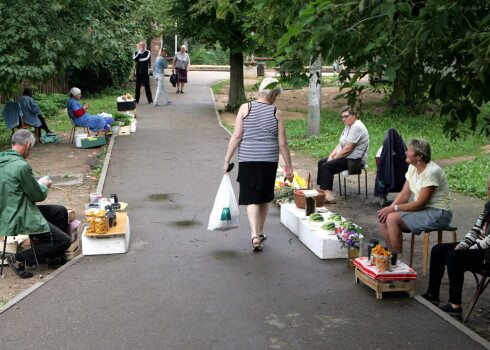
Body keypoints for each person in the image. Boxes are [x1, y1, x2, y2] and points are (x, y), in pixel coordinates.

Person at [222, 77, 294, 252]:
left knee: (252, 199)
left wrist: (227, 160)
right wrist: (289, 167)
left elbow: (237, 136)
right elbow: (282, 143)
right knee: (263, 198)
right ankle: (259, 233)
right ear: (274, 93)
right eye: (277, 95)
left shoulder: (245, 108)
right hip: (268, 161)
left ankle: (255, 234)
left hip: (248, 159)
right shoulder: (277, 113)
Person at [0, 130, 71, 278]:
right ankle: (18, 259)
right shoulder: (21, 166)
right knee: (64, 241)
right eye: (31, 148)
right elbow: (37, 195)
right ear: (27, 145)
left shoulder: (3, 161)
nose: (30, 152)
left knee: (59, 211)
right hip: (20, 215)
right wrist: (44, 185)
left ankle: (52, 257)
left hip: (6, 212)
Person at [421, 178, 490, 317]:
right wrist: (461, 245)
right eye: (489, 189)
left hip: (488, 254)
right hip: (479, 247)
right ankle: (432, 293)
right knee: (439, 249)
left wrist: (468, 250)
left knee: (454, 256)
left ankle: (455, 305)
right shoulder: (488, 206)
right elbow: (475, 230)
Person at [377, 138, 452, 257]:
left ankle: (397, 260)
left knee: (392, 218)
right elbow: (404, 194)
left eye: (410, 150)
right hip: (424, 210)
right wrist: (389, 209)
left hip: (439, 213)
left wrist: (392, 209)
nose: (406, 152)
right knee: (385, 219)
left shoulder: (431, 172)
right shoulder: (413, 168)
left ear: (419, 156)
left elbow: (420, 204)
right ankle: (391, 255)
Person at [316, 106, 369, 203]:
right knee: (321, 162)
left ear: (354, 115)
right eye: (342, 117)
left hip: (355, 160)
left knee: (326, 166)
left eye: (346, 116)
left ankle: (329, 196)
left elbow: (348, 149)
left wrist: (334, 158)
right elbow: (341, 143)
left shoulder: (357, 127)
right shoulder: (348, 126)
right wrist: (331, 155)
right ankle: (322, 191)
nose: (343, 119)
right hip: (346, 157)